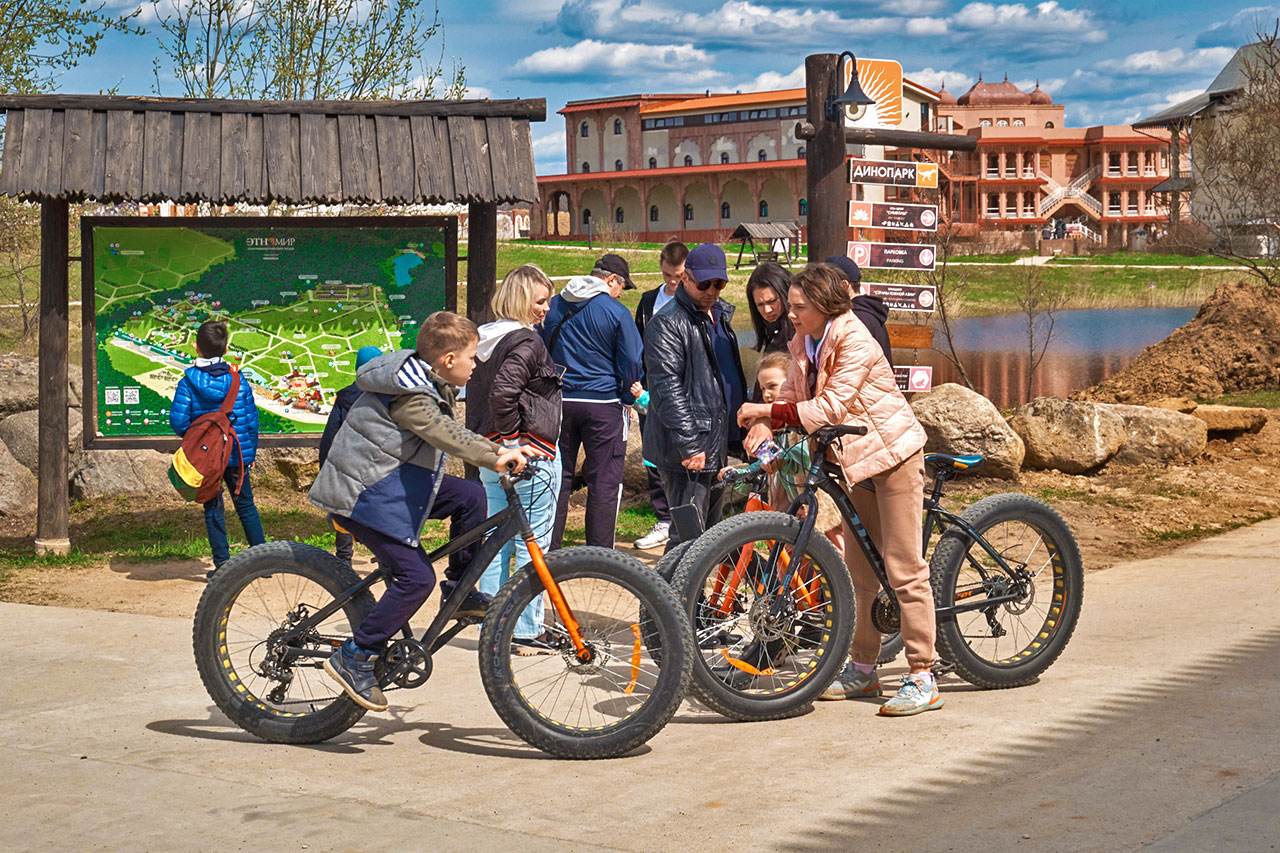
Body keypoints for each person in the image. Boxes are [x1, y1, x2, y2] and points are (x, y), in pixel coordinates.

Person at [736, 263, 941, 717]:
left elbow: (830, 406)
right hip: (852, 463)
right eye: (789, 306)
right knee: (859, 572)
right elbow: (791, 390)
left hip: (893, 456)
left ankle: (923, 675)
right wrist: (765, 419)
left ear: (826, 307)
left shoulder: (855, 338)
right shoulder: (803, 340)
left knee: (904, 567)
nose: (789, 314)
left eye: (798, 307)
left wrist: (768, 412)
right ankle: (863, 669)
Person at [310, 312, 532, 711]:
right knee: (415, 579)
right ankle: (356, 654)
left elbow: (457, 434)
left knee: (469, 497)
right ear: (447, 359)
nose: (476, 363)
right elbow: (445, 434)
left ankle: (460, 589)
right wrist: (495, 457)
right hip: (366, 495)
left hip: (392, 481)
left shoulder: (425, 380)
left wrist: (502, 450)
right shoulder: (410, 395)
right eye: (471, 356)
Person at [467, 265, 564, 654]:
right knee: (533, 541)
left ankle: (489, 621)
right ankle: (524, 628)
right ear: (522, 300)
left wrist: (499, 445)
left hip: (489, 453)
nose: (546, 309)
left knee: (497, 539)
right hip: (527, 454)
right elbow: (504, 394)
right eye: (540, 301)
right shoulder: (526, 341)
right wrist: (513, 441)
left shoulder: (486, 339)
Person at [644, 243, 747, 550]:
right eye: (704, 283)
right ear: (685, 278)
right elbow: (665, 388)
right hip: (687, 450)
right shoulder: (667, 323)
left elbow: (726, 377)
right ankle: (661, 599)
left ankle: (694, 599)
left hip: (714, 440)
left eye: (719, 283)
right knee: (686, 539)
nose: (712, 290)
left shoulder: (721, 317)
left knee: (708, 539)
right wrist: (689, 444)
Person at [540, 253, 644, 550]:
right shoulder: (616, 311)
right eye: (621, 286)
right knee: (605, 481)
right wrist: (627, 398)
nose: (621, 293)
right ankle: (599, 553)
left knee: (558, 478)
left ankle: (550, 550)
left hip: (559, 402)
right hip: (603, 404)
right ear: (611, 280)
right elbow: (631, 361)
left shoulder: (555, 304)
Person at [171, 320, 265, 580]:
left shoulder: (188, 383)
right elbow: (251, 420)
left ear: (196, 348)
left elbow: (179, 422)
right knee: (246, 505)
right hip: (237, 453)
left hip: (207, 458)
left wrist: (200, 441)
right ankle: (264, 561)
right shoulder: (239, 380)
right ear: (225, 348)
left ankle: (222, 564)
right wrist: (251, 454)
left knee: (213, 506)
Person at [631, 240, 688, 550]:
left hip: (683, 390)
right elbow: (639, 345)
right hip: (651, 391)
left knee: (683, 452)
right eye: (668, 275)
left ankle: (685, 519)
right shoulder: (649, 300)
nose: (673, 282)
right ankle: (663, 518)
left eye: (678, 275)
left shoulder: (696, 298)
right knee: (653, 454)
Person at [318, 344, 383, 568]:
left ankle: (344, 559)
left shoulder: (345, 398)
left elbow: (330, 437)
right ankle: (384, 556)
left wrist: (325, 468)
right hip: (377, 467)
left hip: (347, 466)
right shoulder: (388, 397)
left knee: (343, 510)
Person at [825, 255, 892, 367]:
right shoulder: (867, 312)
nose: (820, 291)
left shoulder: (856, 318)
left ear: (844, 285)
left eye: (825, 285)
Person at [744, 261, 794, 354]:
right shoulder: (774, 333)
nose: (767, 310)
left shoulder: (801, 336)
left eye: (772, 301)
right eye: (760, 304)